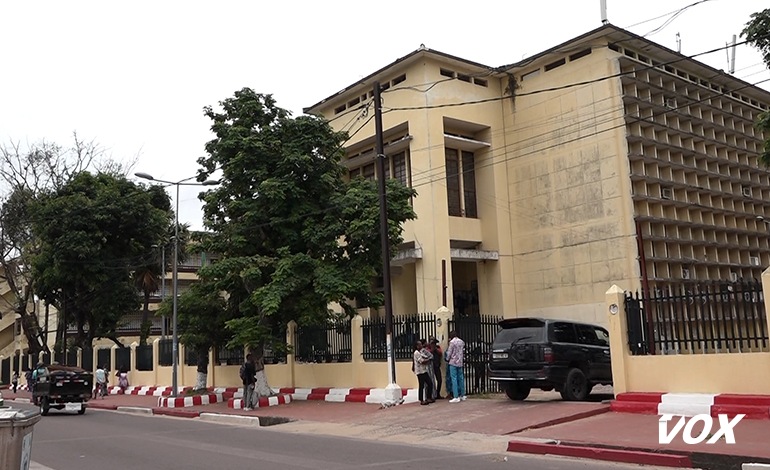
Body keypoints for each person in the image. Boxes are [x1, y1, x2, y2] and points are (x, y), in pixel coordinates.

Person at [446, 330, 467, 403]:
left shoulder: (452, 343)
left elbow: (449, 352)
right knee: (461, 378)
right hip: (460, 362)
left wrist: (447, 359)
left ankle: (456, 396)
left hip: (453, 362)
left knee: (454, 379)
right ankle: (463, 395)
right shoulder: (461, 342)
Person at [412, 340, 434, 405]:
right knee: (421, 385)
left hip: (424, 370)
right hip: (420, 371)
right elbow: (422, 361)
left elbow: (426, 356)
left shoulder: (421, 352)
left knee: (430, 383)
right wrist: (429, 360)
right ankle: (421, 400)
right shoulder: (416, 353)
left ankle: (428, 397)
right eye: (420, 345)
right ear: (417, 346)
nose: (421, 346)